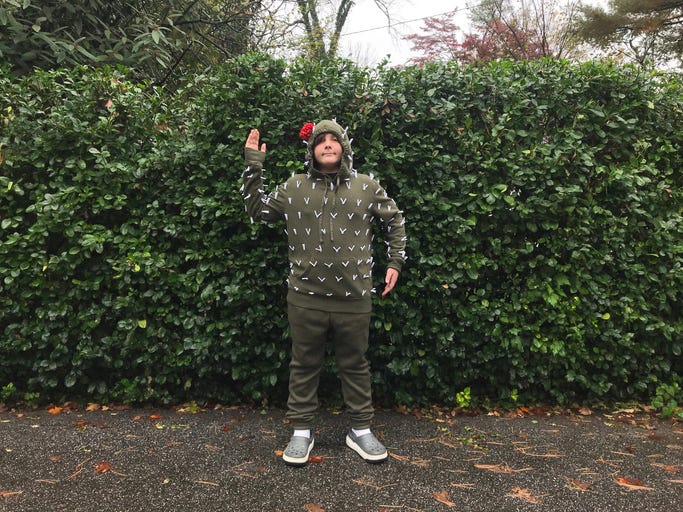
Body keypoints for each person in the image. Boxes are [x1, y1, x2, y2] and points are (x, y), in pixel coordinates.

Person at [242, 119, 407, 466]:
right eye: (321, 140)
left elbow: (394, 220)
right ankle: (302, 430)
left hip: (355, 298)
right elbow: (258, 211)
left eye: (335, 139)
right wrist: (253, 166)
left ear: (344, 146)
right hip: (305, 297)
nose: (328, 144)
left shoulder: (366, 186)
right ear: (312, 149)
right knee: (304, 364)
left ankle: (360, 429)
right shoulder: (294, 187)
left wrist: (395, 262)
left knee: (356, 365)